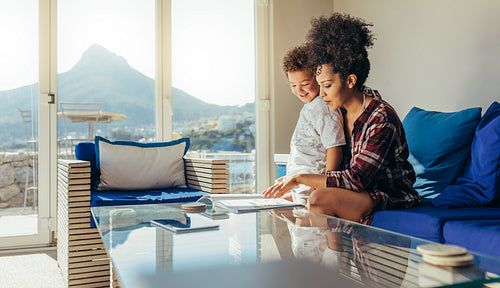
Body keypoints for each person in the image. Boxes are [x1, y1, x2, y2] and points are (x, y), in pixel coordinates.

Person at [263, 13, 420, 225]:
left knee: (319, 199)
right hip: (355, 191)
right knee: (279, 201)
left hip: (387, 194)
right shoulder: (338, 113)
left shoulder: (380, 118)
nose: (322, 93)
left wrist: (300, 178)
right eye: (320, 85)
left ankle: (333, 257)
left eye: (327, 85)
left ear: (350, 80)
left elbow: (356, 179)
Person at [280, 44, 345, 205]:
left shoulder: (323, 107)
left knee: (309, 227)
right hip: (299, 181)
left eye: (304, 83)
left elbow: (334, 146)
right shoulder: (310, 106)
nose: (299, 90)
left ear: (317, 78)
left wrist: (327, 183)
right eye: (293, 85)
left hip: (312, 181)